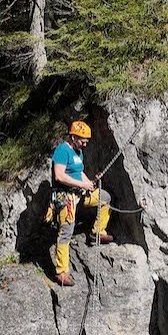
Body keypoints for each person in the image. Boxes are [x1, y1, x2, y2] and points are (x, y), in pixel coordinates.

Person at [49, 120, 113, 287]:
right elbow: (59, 176)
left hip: (80, 192)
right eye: (82, 140)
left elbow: (79, 172)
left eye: (86, 140)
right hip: (66, 196)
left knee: (105, 198)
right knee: (66, 232)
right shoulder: (62, 151)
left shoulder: (78, 152)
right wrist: (82, 185)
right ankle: (61, 272)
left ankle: (97, 232)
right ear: (73, 136)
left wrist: (90, 183)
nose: (85, 143)